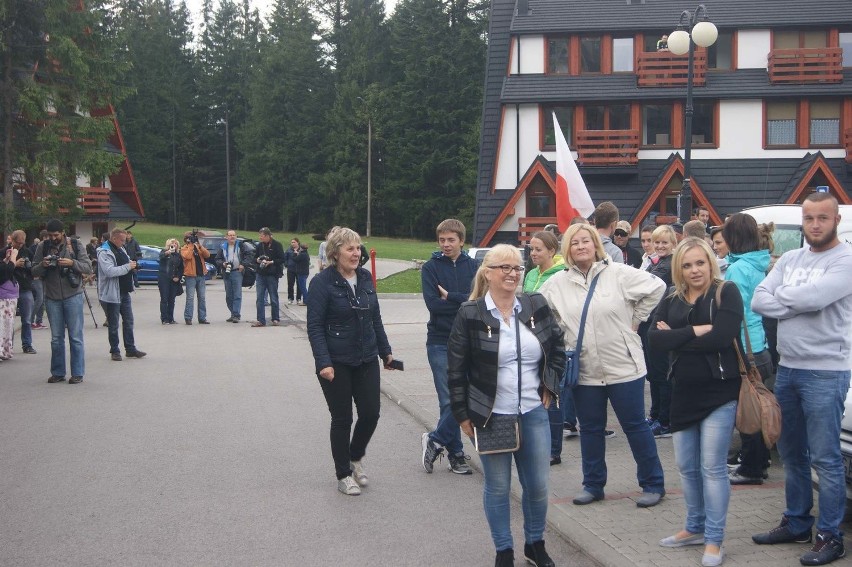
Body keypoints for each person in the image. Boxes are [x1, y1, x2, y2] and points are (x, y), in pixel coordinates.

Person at [751, 193, 852, 566]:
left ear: (836, 219)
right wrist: (800, 300)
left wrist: (791, 299)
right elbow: (760, 300)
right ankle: (796, 522)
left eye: (822, 218)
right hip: (788, 367)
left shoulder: (846, 260)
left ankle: (830, 536)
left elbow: (818, 298)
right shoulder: (791, 258)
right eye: (808, 218)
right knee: (792, 453)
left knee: (826, 458)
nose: (814, 225)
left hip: (826, 371)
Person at [449, 244, 565, 567]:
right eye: (505, 268)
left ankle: (535, 544)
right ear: (488, 273)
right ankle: (504, 550)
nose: (513, 274)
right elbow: (456, 369)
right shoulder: (470, 313)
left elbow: (557, 346)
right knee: (498, 487)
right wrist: (461, 414)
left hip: (533, 412)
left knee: (538, 486)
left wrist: (551, 385)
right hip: (491, 415)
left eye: (517, 268)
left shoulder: (534, 304)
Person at [540, 223, 666, 509]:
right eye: (575, 243)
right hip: (585, 369)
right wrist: (563, 337)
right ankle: (593, 484)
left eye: (586, 241)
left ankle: (653, 483)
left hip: (624, 366)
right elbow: (543, 314)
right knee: (591, 429)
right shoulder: (557, 284)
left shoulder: (619, 274)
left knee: (635, 426)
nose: (581, 246)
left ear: (595, 244)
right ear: (567, 249)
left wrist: (637, 319)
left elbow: (657, 287)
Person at [648, 237, 744, 567]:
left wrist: (678, 334)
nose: (694, 270)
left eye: (700, 263)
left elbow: (721, 337)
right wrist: (697, 330)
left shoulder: (725, 291)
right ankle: (694, 527)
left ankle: (715, 540)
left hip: (720, 391)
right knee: (687, 468)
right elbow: (655, 340)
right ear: (679, 268)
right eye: (687, 265)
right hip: (683, 394)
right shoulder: (672, 297)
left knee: (712, 469)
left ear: (710, 262)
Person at [306, 226, 395, 496]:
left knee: (371, 413)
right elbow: (315, 326)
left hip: (366, 356)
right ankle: (343, 473)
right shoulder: (322, 282)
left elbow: (375, 318)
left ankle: (355, 456)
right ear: (335, 252)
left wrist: (386, 351)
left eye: (358, 248)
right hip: (336, 361)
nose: (356, 253)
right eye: (350, 248)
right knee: (342, 418)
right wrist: (324, 362)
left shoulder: (365, 278)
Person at [421, 219, 479, 476]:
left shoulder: (474, 266)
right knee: (448, 399)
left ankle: (434, 439)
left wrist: (453, 298)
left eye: (451, 240)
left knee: (464, 397)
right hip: (440, 341)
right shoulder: (431, 268)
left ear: (461, 241)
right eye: (442, 240)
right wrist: (463, 301)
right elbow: (433, 305)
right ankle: (456, 454)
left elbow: (478, 301)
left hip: (469, 341)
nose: (446, 245)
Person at [721, 214, 774, 486]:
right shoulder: (758, 263)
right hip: (760, 344)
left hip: (745, 346)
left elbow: (733, 311)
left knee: (750, 411)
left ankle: (751, 469)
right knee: (759, 407)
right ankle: (758, 462)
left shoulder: (738, 269)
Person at [523, 231, 569, 466]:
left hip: (551, 340)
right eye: (531, 249)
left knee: (552, 392)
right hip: (531, 340)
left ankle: (554, 449)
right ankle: (537, 443)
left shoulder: (562, 274)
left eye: (538, 249)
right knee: (535, 391)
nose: (533, 254)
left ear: (552, 251)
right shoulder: (530, 273)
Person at [31, 218, 93, 384]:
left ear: (63, 232)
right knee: (56, 338)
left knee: (75, 336)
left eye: (55, 235)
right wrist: (43, 265)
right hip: (52, 297)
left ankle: (78, 373)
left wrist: (72, 263)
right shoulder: (42, 247)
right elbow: (33, 271)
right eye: (50, 235)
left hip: (73, 295)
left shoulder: (75, 244)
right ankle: (58, 372)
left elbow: (88, 267)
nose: (52, 238)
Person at [642, 224, 677, 438]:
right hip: (651, 322)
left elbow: (645, 285)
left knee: (661, 374)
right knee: (654, 374)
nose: (660, 246)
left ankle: (664, 420)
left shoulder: (668, 265)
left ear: (673, 244)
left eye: (664, 242)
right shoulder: (657, 262)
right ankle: (655, 414)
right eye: (657, 242)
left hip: (660, 322)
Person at [97, 228, 146, 361]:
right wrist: (127, 267)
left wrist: (133, 265)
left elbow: (126, 264)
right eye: (122, 240)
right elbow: (109, 271)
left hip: (124, 292)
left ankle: (130, 349)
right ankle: (115, 351)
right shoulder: (104, 252)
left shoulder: (121, 249)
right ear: (114, 239)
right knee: (113, 324)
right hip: (112, 294)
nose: (124, 243)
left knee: (129, 321)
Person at [6, 230, 36, 354]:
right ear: (12, 240)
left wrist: (29, 268)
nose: (20, 245)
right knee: (8, 320)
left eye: (22, 243)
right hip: (9, 288)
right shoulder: (5, 252)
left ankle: (27, 344)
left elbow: (34, 269)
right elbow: (3, 270)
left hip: (25, 287)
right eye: (18, 243)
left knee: (27, 319)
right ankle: (7, 346)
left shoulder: (28, 252)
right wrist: (14, 264)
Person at [216, 230, 253, 323]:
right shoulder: (223, 247)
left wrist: (243, 264)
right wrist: (222, 263)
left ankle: (236, 315)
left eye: (233, 235)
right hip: (227, 272)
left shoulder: (241, 245)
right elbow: (217, 259)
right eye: (230, 235)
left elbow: (249, 255)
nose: (232, 237)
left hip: (237, 272)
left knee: (237, 294)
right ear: (226, 237)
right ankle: (233, 313)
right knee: (229, 295)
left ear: (236, 236)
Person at [252, 227, 285, 327]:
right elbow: (254, 258)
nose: (260, 238)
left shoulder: (277, 245)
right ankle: (261, 320)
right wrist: (258, 260)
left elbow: (282, 259)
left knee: (273, 297)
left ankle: (275, 319)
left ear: (267, 236)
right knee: (259, 298)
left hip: (272, 274)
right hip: (260, 274)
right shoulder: (259, 245)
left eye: (261, 236)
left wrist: (271, 262)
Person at [180, 231, 211, 325]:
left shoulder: (198, 247)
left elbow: (207, 255)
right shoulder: (184, 248)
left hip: (201, 276)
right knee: (190, 297)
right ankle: (188, 317)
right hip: (190, 276)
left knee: (202, 298)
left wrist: (199, 245)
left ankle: (202, 318)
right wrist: (190, 245)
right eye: (190, 238)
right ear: (186, 239)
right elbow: (187, 256)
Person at [0, 244, 19, 361]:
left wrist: (6, 260)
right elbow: (5, 272)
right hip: (2, 298)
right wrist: (13, 259)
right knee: (1, 325)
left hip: (9, 298)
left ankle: (6, 350)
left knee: (8, 325)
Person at [158, 238, 183, 324]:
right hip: (164, 278)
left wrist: (178, 277)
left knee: (172, 300)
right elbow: (160, 257)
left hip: (174, 279)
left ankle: (170, 318)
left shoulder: (178, 255)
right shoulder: (164, 251)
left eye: (176, 244)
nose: (174, 245)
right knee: (164, 299)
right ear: (168, 245)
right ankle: (164, 318)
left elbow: (181, 268)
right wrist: (167, 253)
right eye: (172, 244)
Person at [30, 230, 48, 330]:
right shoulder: (36, 248)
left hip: (44, 277)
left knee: (43, 300)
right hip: (37, 277)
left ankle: (39, 321)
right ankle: (31, 320)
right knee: (39, 299)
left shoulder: (49, 247)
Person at [284, 238, 310, 305]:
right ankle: (290, 298)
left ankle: (299, 298)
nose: (292, 243)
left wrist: (295, 254)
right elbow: (285, 258)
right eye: (291, 242)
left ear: (298, 243)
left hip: (299, 271)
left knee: (300, 286)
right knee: (290, 284)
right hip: (291, 269)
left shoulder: (301, 251)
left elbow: (297, 259)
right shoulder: (289, 250)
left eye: (294, 242)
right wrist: (287, 264)